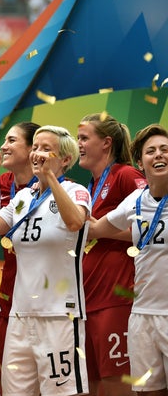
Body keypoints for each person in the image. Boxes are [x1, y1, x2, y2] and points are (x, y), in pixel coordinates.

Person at [0, 125, 90, 395]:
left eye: (46, 149)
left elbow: (75, 221)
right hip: (19, 316)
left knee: (62, 391)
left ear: (65, 160)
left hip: (60, 314)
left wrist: (49, 177)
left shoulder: (76, 191)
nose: (38, 154)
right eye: (36, 147)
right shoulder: (23, 197)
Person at [90, 124, 168, 395]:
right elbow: (95, 229)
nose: (159, 155)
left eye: (165, 149)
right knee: (147, 392)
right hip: (142, 317)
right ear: (141, 163)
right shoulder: (135, 200)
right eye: (151, 151)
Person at [77, 113, 145, 396]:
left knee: (117, 384)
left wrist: (99, 231)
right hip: (87, 301)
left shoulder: (126, 175)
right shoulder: (90, 187)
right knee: (92, 386)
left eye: (83, 138)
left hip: (115, 299)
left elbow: (150, 227)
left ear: (106, 143)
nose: (78, 144)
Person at [0, 122, 40, 369]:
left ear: (33, 148)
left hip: (43, 299)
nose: (4, 146)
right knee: (10, 378)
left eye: (12, 140)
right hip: (8, 294)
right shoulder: (1, 182)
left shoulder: (56, 188)